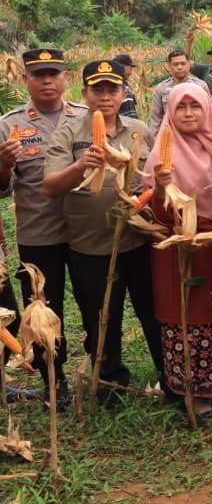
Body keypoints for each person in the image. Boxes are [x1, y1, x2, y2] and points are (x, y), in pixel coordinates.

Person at [43, 60, 164, 406]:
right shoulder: (67, 134)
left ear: (124, 93)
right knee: (100, 321)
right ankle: (110, 385)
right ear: (85, 94)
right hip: (90, 247)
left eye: (113, 89)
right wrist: (81, 165)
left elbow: (154, 180)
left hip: (138, 241)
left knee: (152, 313)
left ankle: (168, 375)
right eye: (98, 90)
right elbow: (50, 186)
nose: (105, 97)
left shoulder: (139, 129)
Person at [143, 83, 212, 417]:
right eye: (181, 107)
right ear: (170, 111)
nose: (188, 113)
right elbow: (157, 214)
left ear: (207, 109)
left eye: (195, 106)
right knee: (184, 315)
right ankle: (192, 392)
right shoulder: (161, 153)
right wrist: (160, 187)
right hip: (176, 249)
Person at [0, 48, 86, 403]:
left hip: (85, 233)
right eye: (38, 74)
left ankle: (103, 368)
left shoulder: (85, 116)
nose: (47, 80)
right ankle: (56, 378)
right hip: (38, 234)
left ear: (66, 78)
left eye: (54, 73)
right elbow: (2, 188)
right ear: (26, 80)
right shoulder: (9, 124)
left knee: (91, 302)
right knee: (44, 311)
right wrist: (3, 165)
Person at [150, 49, 211, 135]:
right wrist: (155, 142)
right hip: (170, 137)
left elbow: (209, 114)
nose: (179, 67)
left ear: (189, 65)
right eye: (175, 64)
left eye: (183, 64)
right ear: (169, 66)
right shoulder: (161, 88)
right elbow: (156, 119)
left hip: (196, 135)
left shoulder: (200, 86)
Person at [112, 53, 141, 120]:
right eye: (130, 67)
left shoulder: (127, 86)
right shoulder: (112, 87)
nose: (131, 72)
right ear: (121, 67)